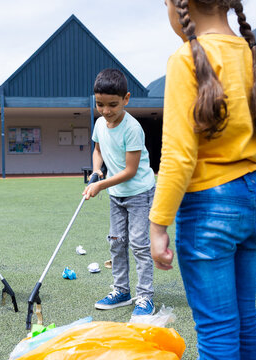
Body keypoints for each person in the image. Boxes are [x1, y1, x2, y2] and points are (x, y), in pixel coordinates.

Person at [149, 1, 256, 359]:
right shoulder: (253, 55)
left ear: (182, 5)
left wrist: (158, 224)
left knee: (217, 329)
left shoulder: (185, 58)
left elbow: (178, 154)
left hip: (209, 203)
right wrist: (253, 189)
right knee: (244, 317)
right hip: (254, 194)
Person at [83, 68, 157, 316]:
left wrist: (99, 185)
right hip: (117, 194)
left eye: (112, 104)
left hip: (139, 193)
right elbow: (98, 149)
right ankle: (122, 291)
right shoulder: (99, 124)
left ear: (126, 98)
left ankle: (145, 297)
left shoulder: (132, 128)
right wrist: (96, 170)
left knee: (139, 244)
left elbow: (131, 171)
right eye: (100, 104)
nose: (105, 111)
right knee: (116, 242)